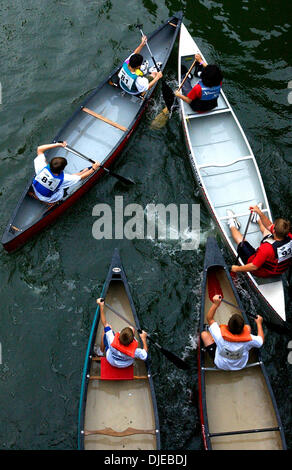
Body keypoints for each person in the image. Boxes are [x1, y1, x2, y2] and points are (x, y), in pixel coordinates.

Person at [201, 295, 264, 371]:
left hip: (221, 365)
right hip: (240, 366)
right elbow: (261, 340)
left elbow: (209, 318)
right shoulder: (250, 339)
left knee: (204, 334)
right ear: (243, 328)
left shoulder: (219, 335)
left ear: (228, 326)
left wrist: (215, 304)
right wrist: (259, 323)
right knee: (249, 327)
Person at [227, 205, 292, 277]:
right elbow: (269, 225)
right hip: (279, 270)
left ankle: (232, 224)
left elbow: (254, 266)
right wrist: (259, 213)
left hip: (262, 271)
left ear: (274, 231)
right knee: (267, 232)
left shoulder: (266, 248)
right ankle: (257, 218)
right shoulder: (289, 236)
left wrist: (236, 268)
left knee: (241, 242)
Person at [32, 141, 100, 203]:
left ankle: (83, 171)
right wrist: (93, 169)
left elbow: (39, 149)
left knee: (70, 178)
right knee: (66, 184)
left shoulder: (41, 166)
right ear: (62, 170)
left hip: (36, 190)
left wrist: (58, 144)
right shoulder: (64, 179)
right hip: (48, 198)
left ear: (50, 164)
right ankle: (57, 200)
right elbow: (81, 178)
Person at [96, 298, 148, 368]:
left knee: (106, 329)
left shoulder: (112, 341)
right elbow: (145, 355)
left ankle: (100, 352)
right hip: (126, 364)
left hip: (112, 361)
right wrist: (144, 339)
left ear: (119, 335)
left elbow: (105, 324)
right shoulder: (135, 351)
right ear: (132, 340)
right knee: (131, 328)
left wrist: (101, 306)